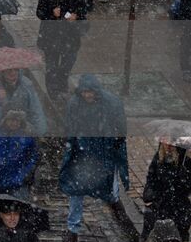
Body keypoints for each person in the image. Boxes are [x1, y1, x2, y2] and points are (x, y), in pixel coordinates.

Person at [60, 75, 129, 241]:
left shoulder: (111, 103)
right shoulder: (74, 104)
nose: (87, 95)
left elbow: (120, 128)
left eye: (90, 92)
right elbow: (69, 127)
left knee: (111, 190)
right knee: (76, 191)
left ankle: (120, 213)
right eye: (84, 92)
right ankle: (73, 229)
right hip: (82, 153)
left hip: (104, 152)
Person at [141, 141, 191, 242]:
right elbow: (151, 177)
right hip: (159, 204)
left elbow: (187, 189)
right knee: (150, 232)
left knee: (179, 235)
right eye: (165, 139)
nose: (168, 145)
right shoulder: (160, 154)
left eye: (171, 142)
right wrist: (148, 196)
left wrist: (184, 176)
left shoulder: (185, 159)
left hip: (179, 208)